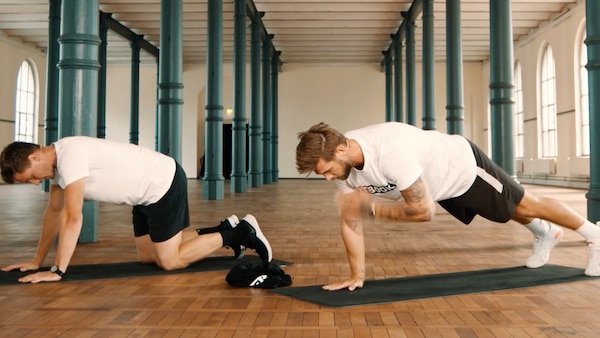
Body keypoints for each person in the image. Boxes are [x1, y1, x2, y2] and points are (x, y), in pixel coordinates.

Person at [296, 122, 600, 291]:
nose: (326, 178)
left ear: (340, 149)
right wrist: (356, 275)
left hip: (462, 167)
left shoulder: (391, 153)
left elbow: (423, 212)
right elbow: (350, 221)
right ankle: (545, 233)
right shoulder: (343, 168)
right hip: (440, 186)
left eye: (325, 170)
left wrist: (372, 210)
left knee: (524, 203)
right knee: (503, 212)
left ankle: (594, 234)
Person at [0, 136, 272, 283]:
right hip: (142, 197)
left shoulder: (70, 155)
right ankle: (222, 229)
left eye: (31, 176)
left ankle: (240, 233)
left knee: (169, 261)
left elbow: (72, 218)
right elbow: (53, 215)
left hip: (161, 183)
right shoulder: (58, 169)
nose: (36, 182)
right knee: (148, 257)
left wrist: (57, 270)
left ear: (34, 157)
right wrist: (37, 261)